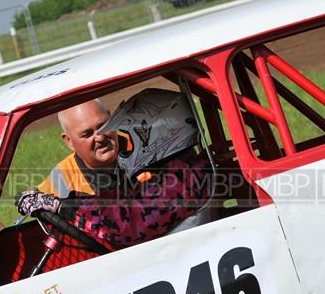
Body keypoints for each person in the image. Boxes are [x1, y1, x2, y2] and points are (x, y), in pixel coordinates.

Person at [15, 90, 212, 249]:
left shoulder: (185, 179)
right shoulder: (183, 170)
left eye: (137, 130)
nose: (128, 136)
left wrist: (62, 206)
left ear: (163, 133)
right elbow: (121, 201)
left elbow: (129, 223)